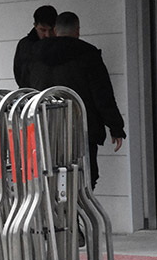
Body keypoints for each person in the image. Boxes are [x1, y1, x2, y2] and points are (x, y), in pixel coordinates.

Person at [28, 11, 126, 189]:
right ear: (77, 30)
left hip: (45, 128)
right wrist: (116, 126)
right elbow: (102, 94)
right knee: (84, 180)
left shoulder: (35, 55)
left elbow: (27, 88)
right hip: (81, 128)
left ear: (56, 30)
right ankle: (78, 215)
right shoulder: (88, 54)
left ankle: (56, 215)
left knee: (49, 180)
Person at [13, 5, 57, 88]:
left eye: (51, 30)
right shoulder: (24, 45)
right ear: (35, 25)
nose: (47, 35)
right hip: (31, 94)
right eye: (43, 30)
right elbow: (19, 74)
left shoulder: (25, 45)